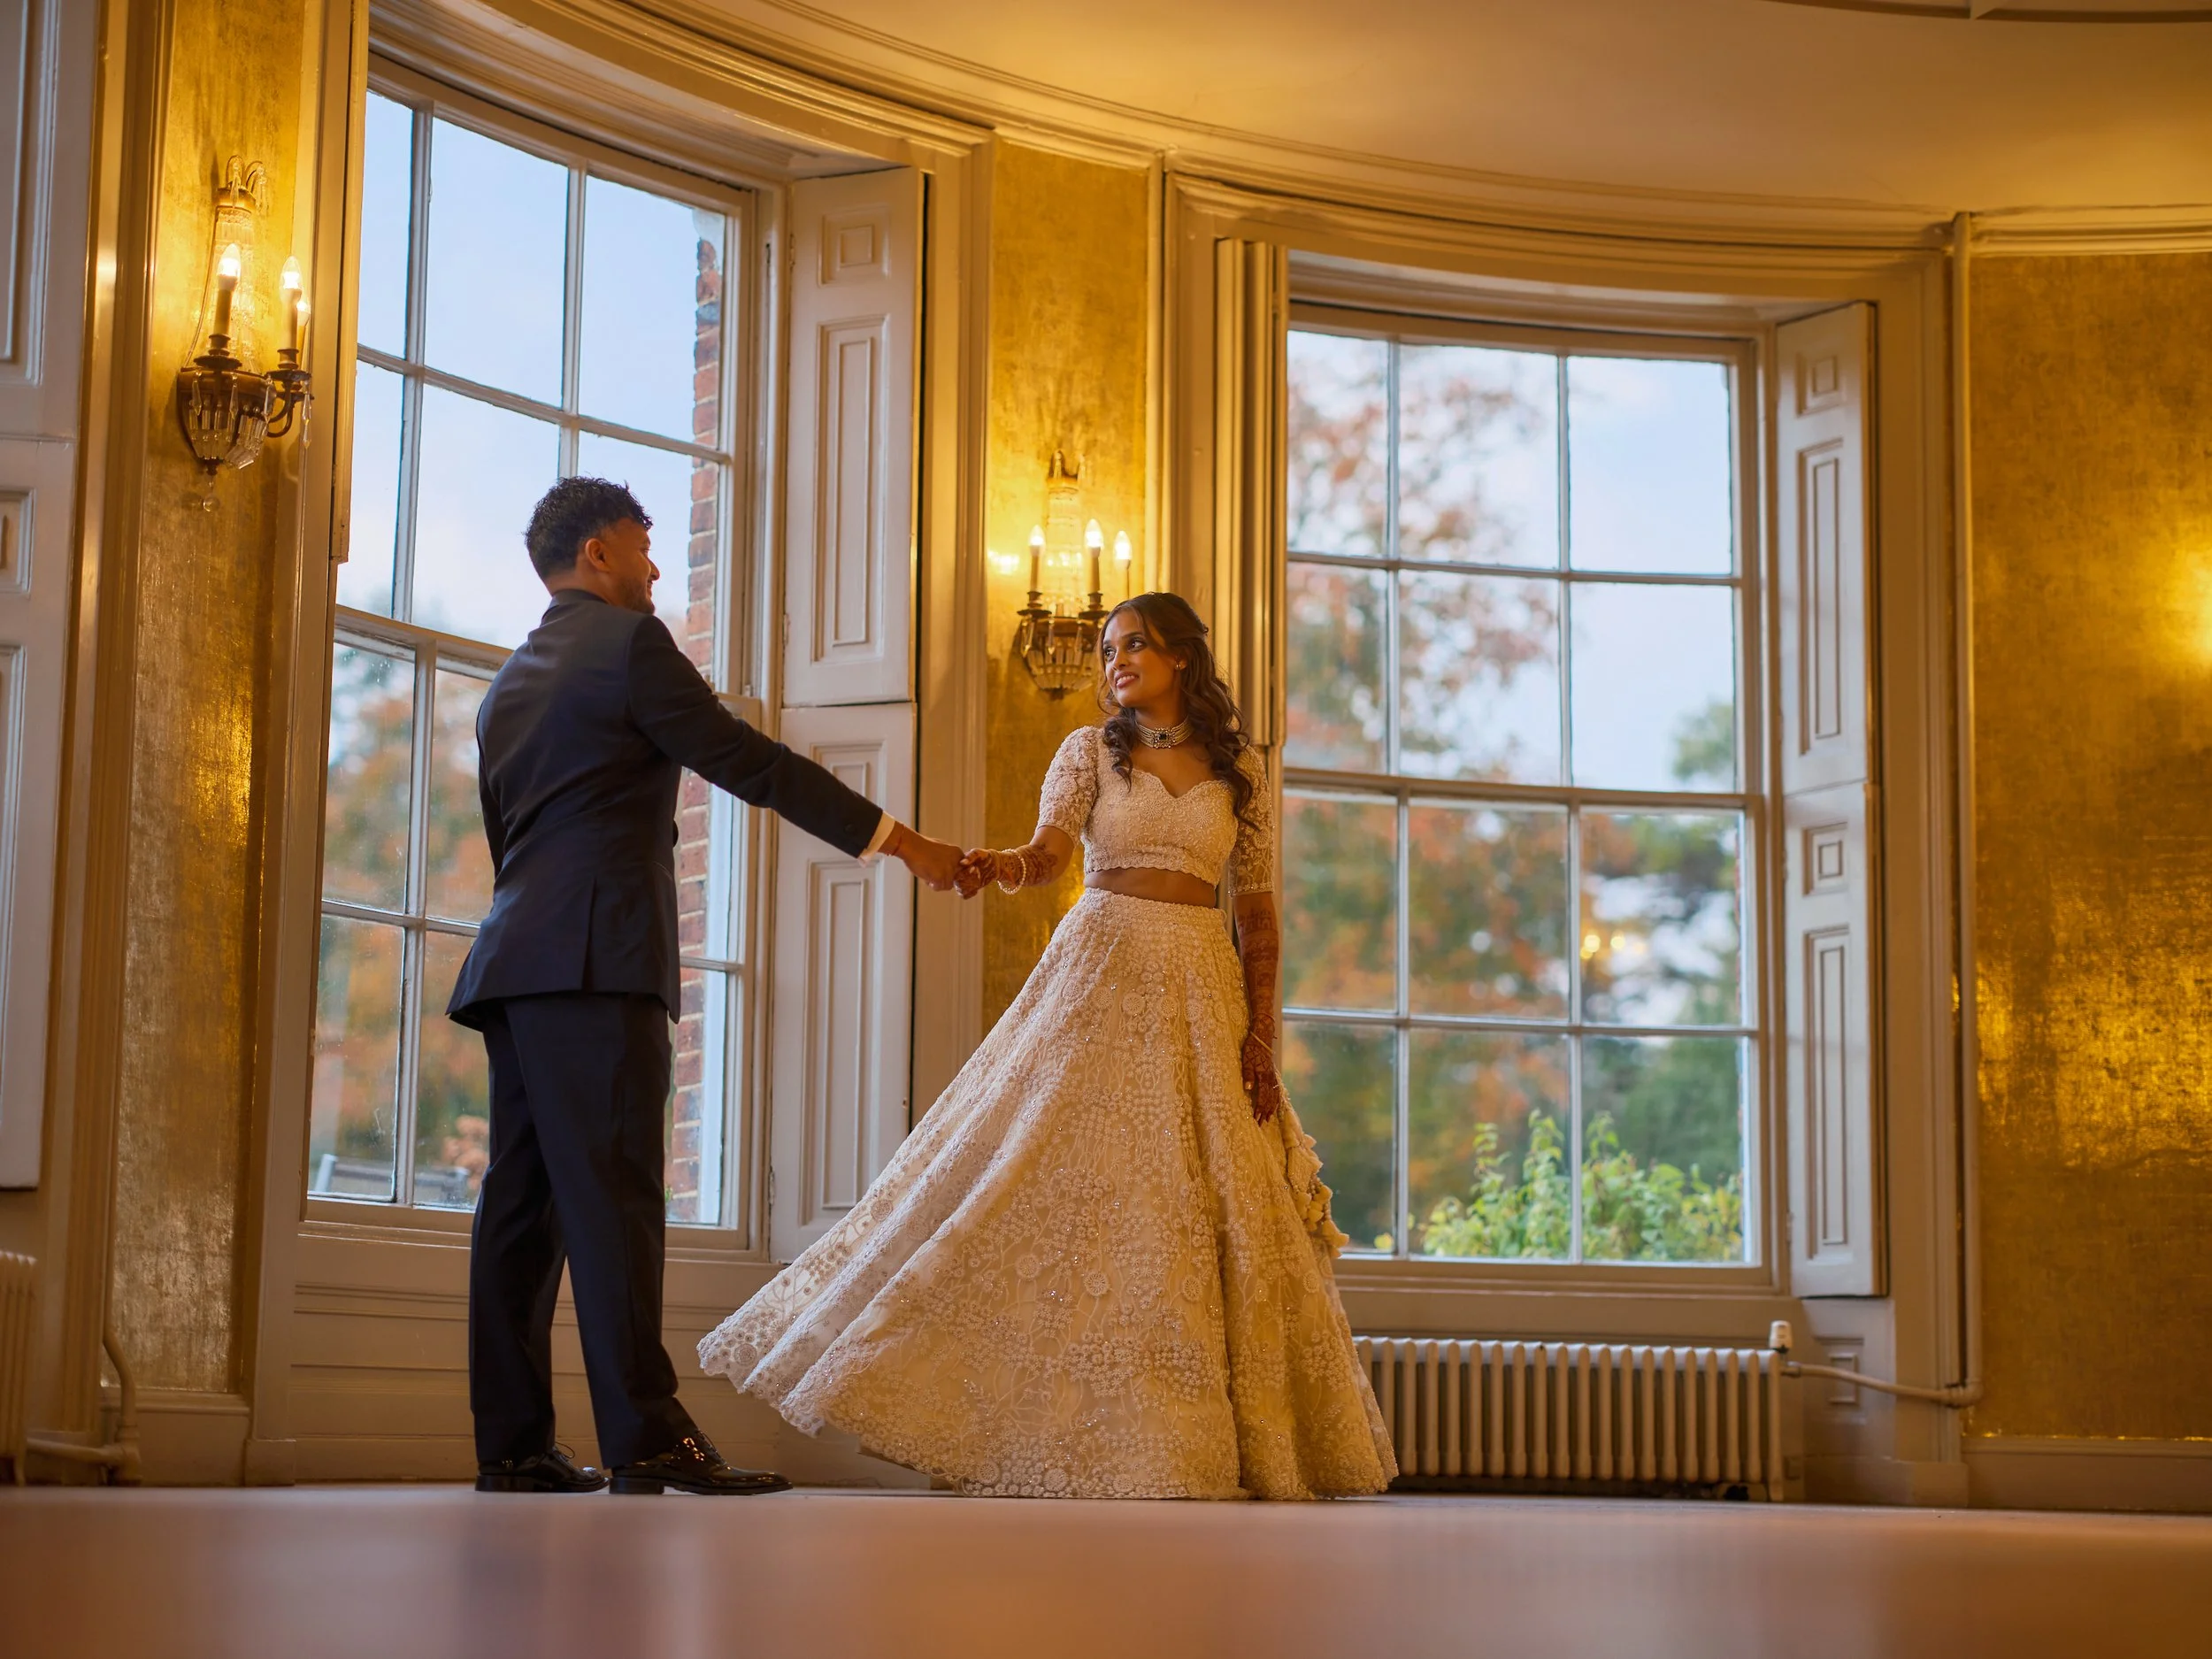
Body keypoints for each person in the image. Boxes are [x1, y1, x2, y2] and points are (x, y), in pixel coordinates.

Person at [699, 591, 1396, 1499]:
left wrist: (1262, 1034)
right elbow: (1049, 853)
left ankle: (1189, 1445)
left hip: (1200, 988)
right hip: (1099, 968)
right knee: (1044, 1180)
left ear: (1182, 656)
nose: (1114, 661)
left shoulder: (1244, 772)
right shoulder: (1086, 752)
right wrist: (1001, 866)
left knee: (1197, 1202)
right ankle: (1044, 1429)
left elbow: (1257, 918)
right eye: (1106, 648)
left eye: (1134, 645)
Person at [449, 477, 963, 1496]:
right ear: (597, 552)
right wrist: (898, 839)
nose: (652, 571)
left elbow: (508, 839)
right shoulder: (629, 646)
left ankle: (510, 1445)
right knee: (618, 1198)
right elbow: (742, 759)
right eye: (641, 550)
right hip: (600, 961)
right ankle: (647, 1440)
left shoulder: (509, 683)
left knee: (522, 1203)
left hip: (514, 962)